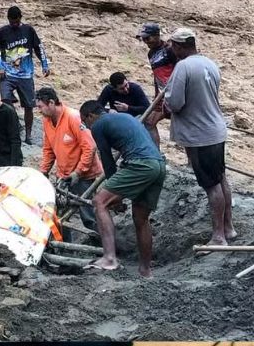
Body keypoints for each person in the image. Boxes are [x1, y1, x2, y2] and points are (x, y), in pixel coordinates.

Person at [164, 27, 236, 245]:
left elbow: (175, 103)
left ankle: (218, 236)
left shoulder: (183, 67)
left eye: (173, 46)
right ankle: (228, 228)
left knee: (211, 185)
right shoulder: (210, 63)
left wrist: (166, 105)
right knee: (220, 178)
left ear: (179, 46)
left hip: (199, 134)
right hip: (215, 129)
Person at [80, 101, 166, 278]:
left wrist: (113, 200)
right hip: (158, 165)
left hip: (141, 164)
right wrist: (116, 198)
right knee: (141, 219)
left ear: (91, 116)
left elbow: (108, 162)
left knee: (99, 202)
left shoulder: (98, 125)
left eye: (85, 121)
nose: (86, 126)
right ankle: (146, 271)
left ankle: (109, 258)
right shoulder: (124, 117)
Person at [37, 87, 103, 231]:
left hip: (84, 175)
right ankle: (63, 242)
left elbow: (90, 147)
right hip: (63, 174)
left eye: (41, 107)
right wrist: (44, 171)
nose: (39, 111)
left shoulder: (73, 118)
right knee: (60, 214)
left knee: (89, 216)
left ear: (51, 103)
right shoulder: (47, 121)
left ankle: (102, 241)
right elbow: (48, 149)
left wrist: (78, 172)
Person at [0, 6, 51, 145]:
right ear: (8, 19)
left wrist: (45, 64)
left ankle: (28, 135)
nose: (14, 24)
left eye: (16, 22)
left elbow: (39, 48)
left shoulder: (28, 30)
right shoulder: (2, 32)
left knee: (29, 106)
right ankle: (15, 126)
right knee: (5, 101)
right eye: (11, 22)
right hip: (8, 74)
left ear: (20, 18)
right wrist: (0, 67)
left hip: (26, 74)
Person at [136, 22, 178, 147]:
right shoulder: (151, 54)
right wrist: (156, 95)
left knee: (182, 124)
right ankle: (156, 154)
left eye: (148, 38)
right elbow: (157, 76)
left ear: (156, 35)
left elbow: (180, 70)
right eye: (143, 39)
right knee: (149, 122)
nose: (145, 41)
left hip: (174, 93)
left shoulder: (169, 50)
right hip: (161, 95)